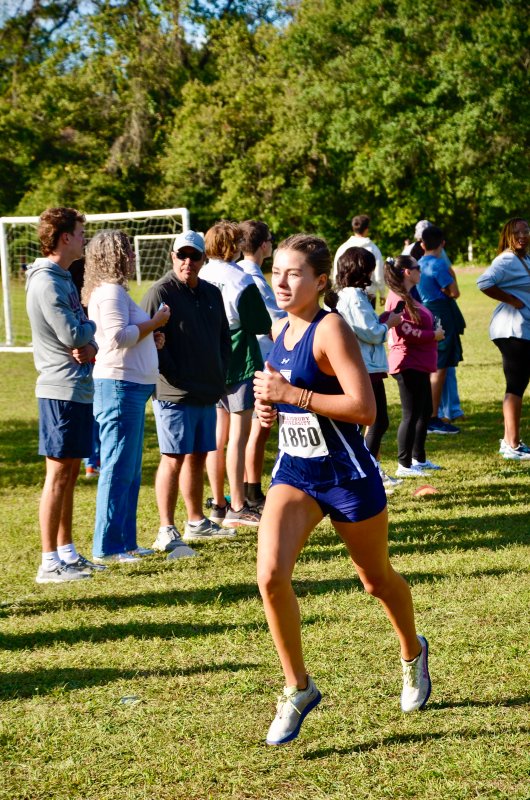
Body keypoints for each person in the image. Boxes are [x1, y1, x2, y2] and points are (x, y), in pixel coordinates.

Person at [254, 234, 431, 746]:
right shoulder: (280, 327)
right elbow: (282, 395)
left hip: (347, 476)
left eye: (293, 274)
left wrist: (294, 395)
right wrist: (270, 406)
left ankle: (413, 651)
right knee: (270, 576)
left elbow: (365, 409)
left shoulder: (331, 329)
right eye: (276, 273)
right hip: (296, 474)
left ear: (319, 281)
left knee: (376, 580)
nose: (282, 283)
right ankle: (297, 687)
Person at [141, 231, 235, 553]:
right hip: (174, 393)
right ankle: (165, 529)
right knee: (173, 458)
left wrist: (219, 372)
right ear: (172, 256)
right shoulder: (160, 292)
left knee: (197, 456)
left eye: (194, 256)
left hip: (207, 390)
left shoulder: (211, 292)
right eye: (182, 255)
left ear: (204, 259)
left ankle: (196, 521)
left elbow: (224, 337)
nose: (188, 262)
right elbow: (147, 339)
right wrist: (173, 372)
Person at [25, 207, 103, 583]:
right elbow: (74, 333)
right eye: (80, 233)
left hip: (77, 387)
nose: (84, 239)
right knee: (57, 475)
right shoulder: (46, 281)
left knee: (70, 473)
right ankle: (48, 562)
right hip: (59, 389)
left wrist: (89, 340)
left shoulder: (63, 277)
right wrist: (91, 329)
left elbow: (82, 334)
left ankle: (67, 552)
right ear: (65, 237)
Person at [83, 229, 170, 563]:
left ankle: (127, 542)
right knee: (117, 467)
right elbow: (118, 337)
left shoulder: (116, 292)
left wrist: (150, 337)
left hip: (131, 386)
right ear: (114, 256)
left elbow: (127, 335)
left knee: (130, 470)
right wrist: (155, 322)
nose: (133, 257)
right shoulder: (110, 292)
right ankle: (108, 546)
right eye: (128, 252)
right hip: (119, 386)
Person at [200, 220, 271, 527]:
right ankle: (239, 505)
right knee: (238, 438)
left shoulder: (201, 274)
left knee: (217, 437)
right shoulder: (240, 278)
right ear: (233, 246)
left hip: (209, 361)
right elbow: (260, 323)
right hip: (239, 359)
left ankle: (218, 503)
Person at [334, 246, 403, 489]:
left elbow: (363, 325)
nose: (373, 274)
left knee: (370, 421)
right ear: (361, 270)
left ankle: (366, 468)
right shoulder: (354, 296)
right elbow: (370, 333)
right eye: (371, 269)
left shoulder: (348, 294)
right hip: (366, 366)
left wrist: (382, 320)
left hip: (363, 364)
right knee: (377, 420)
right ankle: (368, 470)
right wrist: (388, 324)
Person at [238, 219, 286, 510]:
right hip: (260, 359)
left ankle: (247, 489)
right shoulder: (251, 276)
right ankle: (252, 491)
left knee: (253, 427)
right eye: (270, 239)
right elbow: (274, 321)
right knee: (260, 426)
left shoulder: (245, 272)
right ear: (263, 244)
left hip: (252, 358)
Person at [385, 255, 445, 477]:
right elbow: (404, 331)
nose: (421, 271)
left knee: (424, 411)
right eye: (417, 267)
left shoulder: (407, 295)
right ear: (407, 272)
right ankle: (404, 465)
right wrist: (433, 335)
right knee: (410, 414)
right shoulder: (396, 298)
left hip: (419, 362)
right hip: (407, 362)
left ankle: (418, 458)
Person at [477, 218, 530, 460]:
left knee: (518, 384)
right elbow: (484, 282)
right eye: (517, 232)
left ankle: (510, 441)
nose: (522, 235)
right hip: (511, 329)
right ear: (508, 235)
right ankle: (512, 445)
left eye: (526, 231)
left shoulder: (523, 258)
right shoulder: (507, 259)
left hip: (521, 329)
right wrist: (510, 300)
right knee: (516, 385)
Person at [403, 221, 465, 426]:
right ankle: (432, 415)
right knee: (441, 367)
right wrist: (450, 279)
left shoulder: (418, 264)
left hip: (425, 312)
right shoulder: (438, 265)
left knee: (430, 363)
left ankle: (428, 412)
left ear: (422, 244)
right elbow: (454, 292)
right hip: (442, 314)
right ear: (443, 243)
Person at [332, 214, 385, 307]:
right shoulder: (373, 249)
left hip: (345, 294)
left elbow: (336, 272)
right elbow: (379, 275)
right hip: (368, 294)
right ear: (367, 229)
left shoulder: (343, 247)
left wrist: (336, 291)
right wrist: (382, 293)